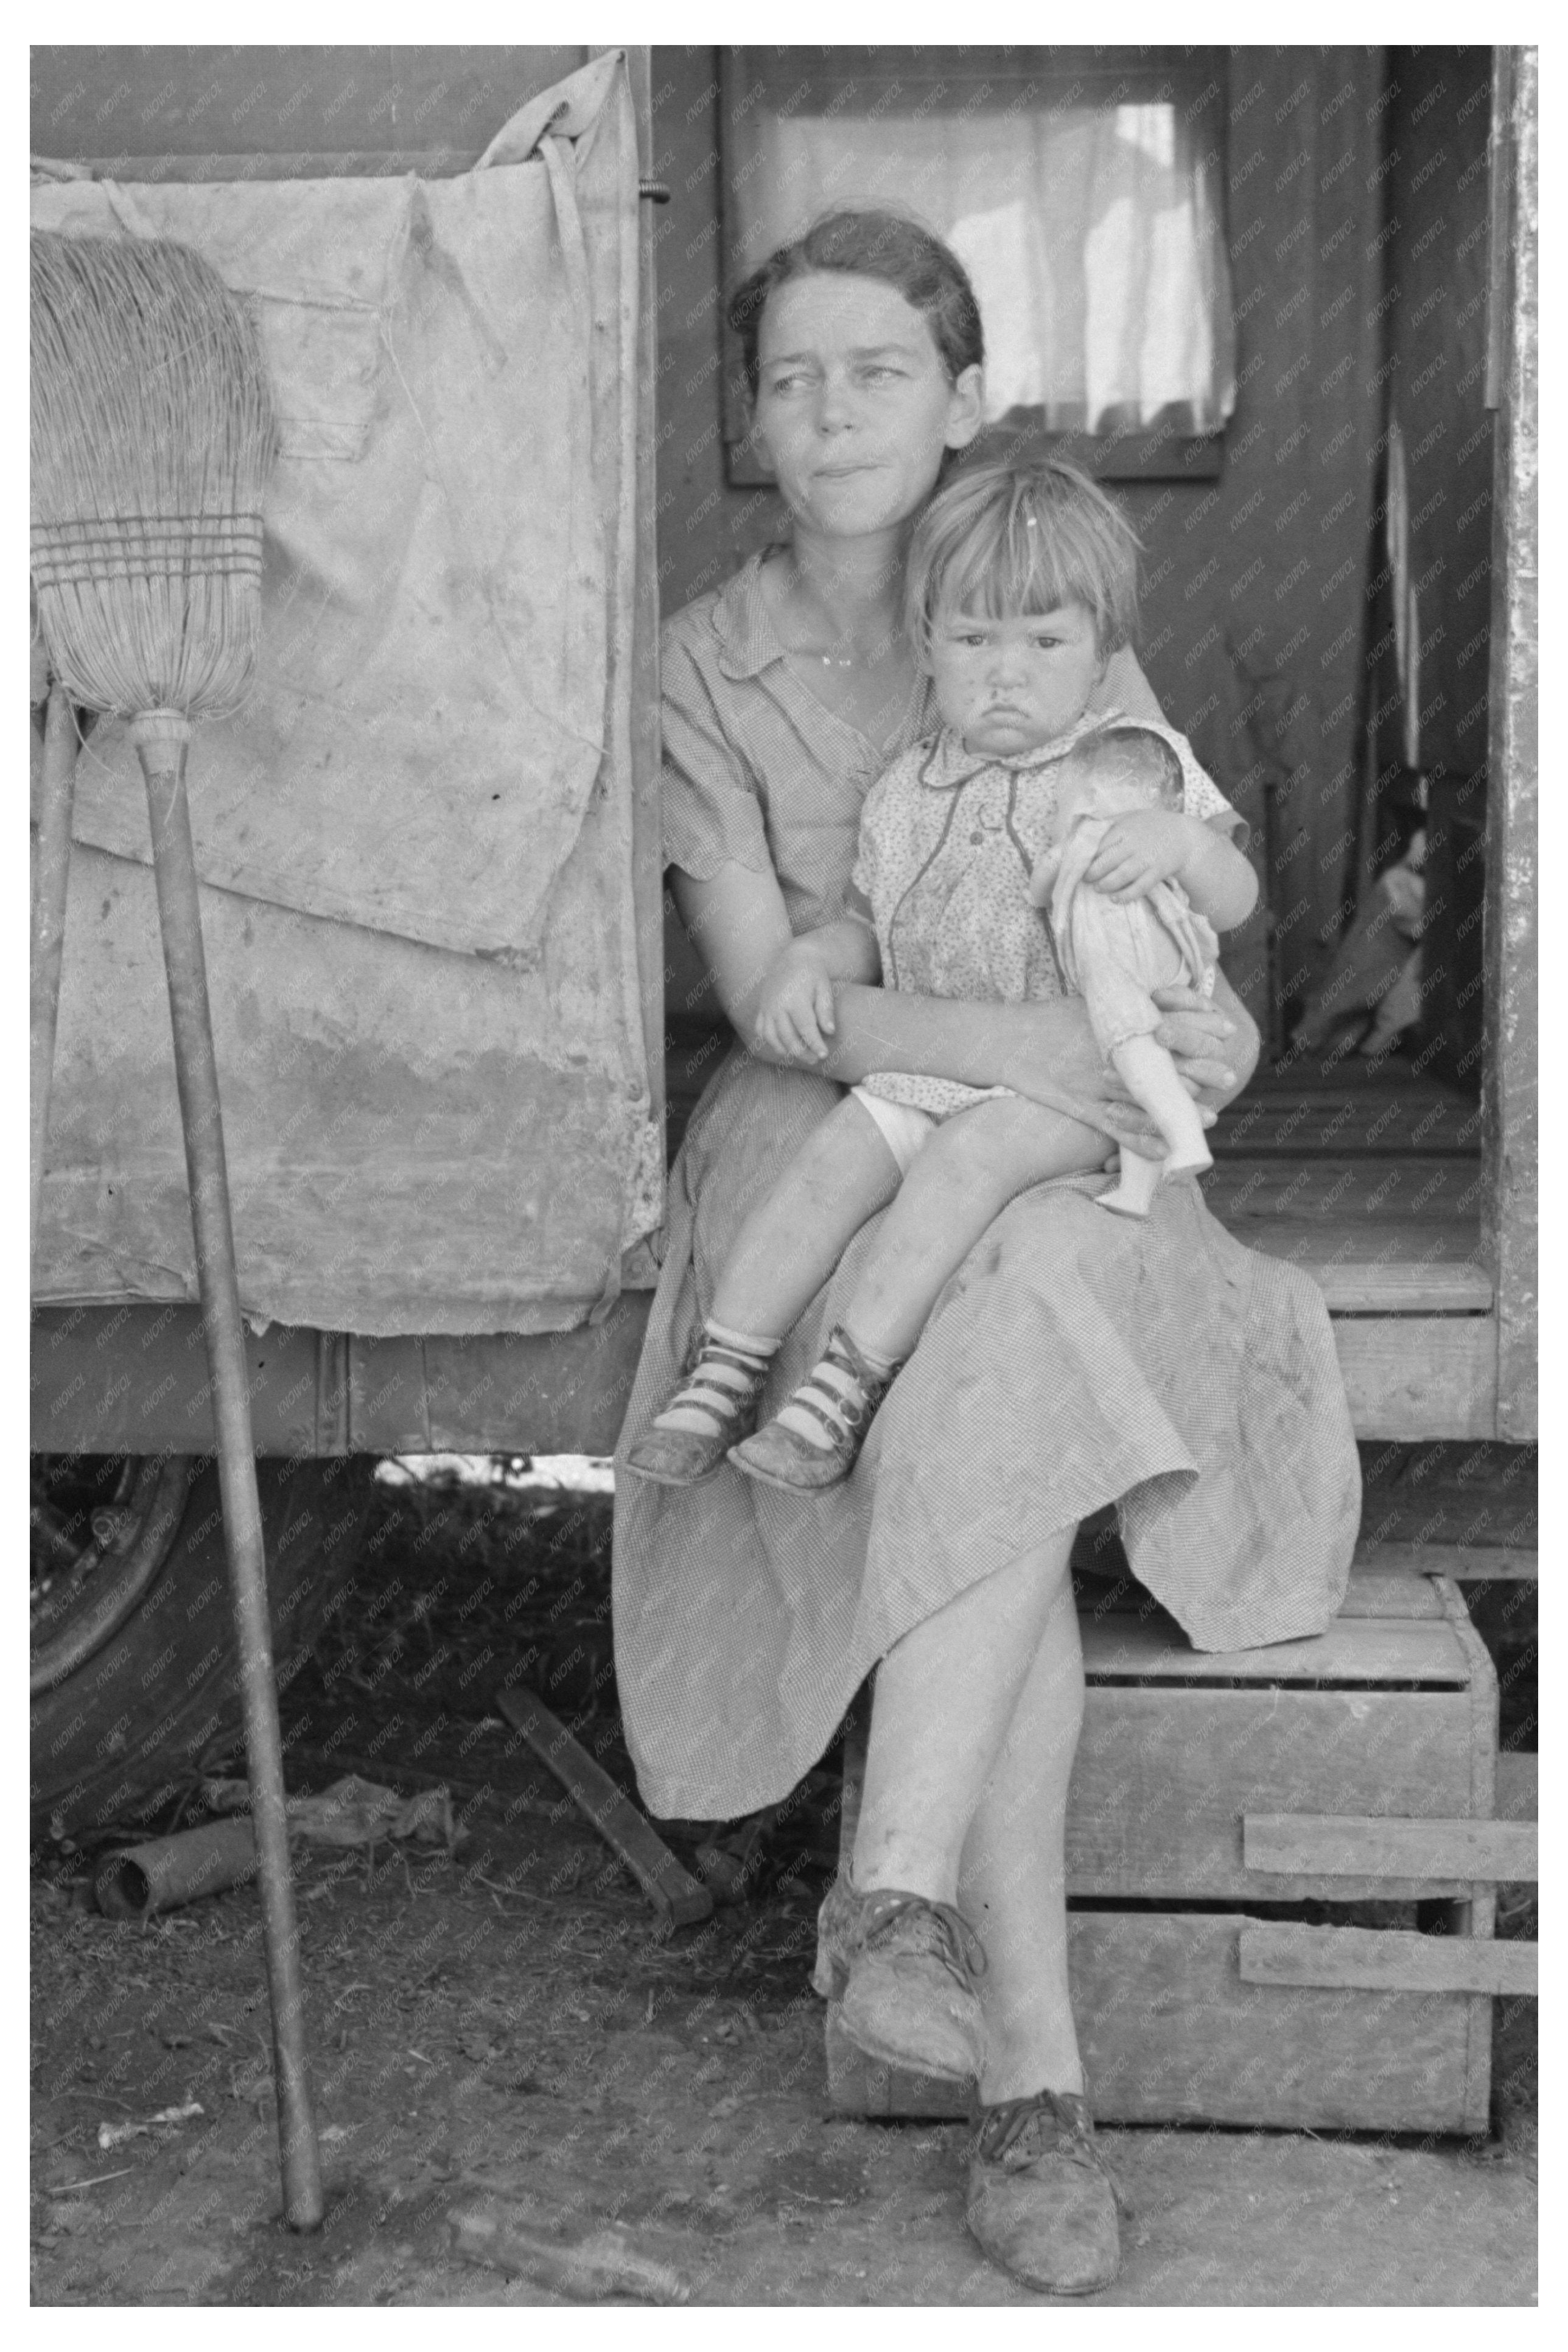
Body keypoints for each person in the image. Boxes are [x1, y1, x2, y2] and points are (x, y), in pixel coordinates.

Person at [612, 210, 1360, 2297]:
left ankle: (893, 1904)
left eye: (879, 369)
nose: (832, 408)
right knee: (983, 1386)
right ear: (747, 420)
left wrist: (1191, 1024)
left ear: (959, 398)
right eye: (790, 376)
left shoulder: (1032, 587)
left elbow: (1165, 914)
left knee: (1017, 1318)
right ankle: (1030, 2071)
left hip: (1055, 1152)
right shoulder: (700, 653)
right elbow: (776, 989)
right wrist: (1053, 1044)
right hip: (818, 1142)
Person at [623, 458, 1257, 1496]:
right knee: (836, 1153)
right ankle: (724, 1365)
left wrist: (1178, 848)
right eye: (974, 641)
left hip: (1086, 1083)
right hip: (945, 1069)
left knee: (966, 1161)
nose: (1006, 673)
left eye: (1045, 642)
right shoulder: (909, 788)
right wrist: (805, 963)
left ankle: (843, 1387)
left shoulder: (1129, 769)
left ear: (1102, 657)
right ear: (929, 645)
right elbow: (869, 927)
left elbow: (1235, 897)